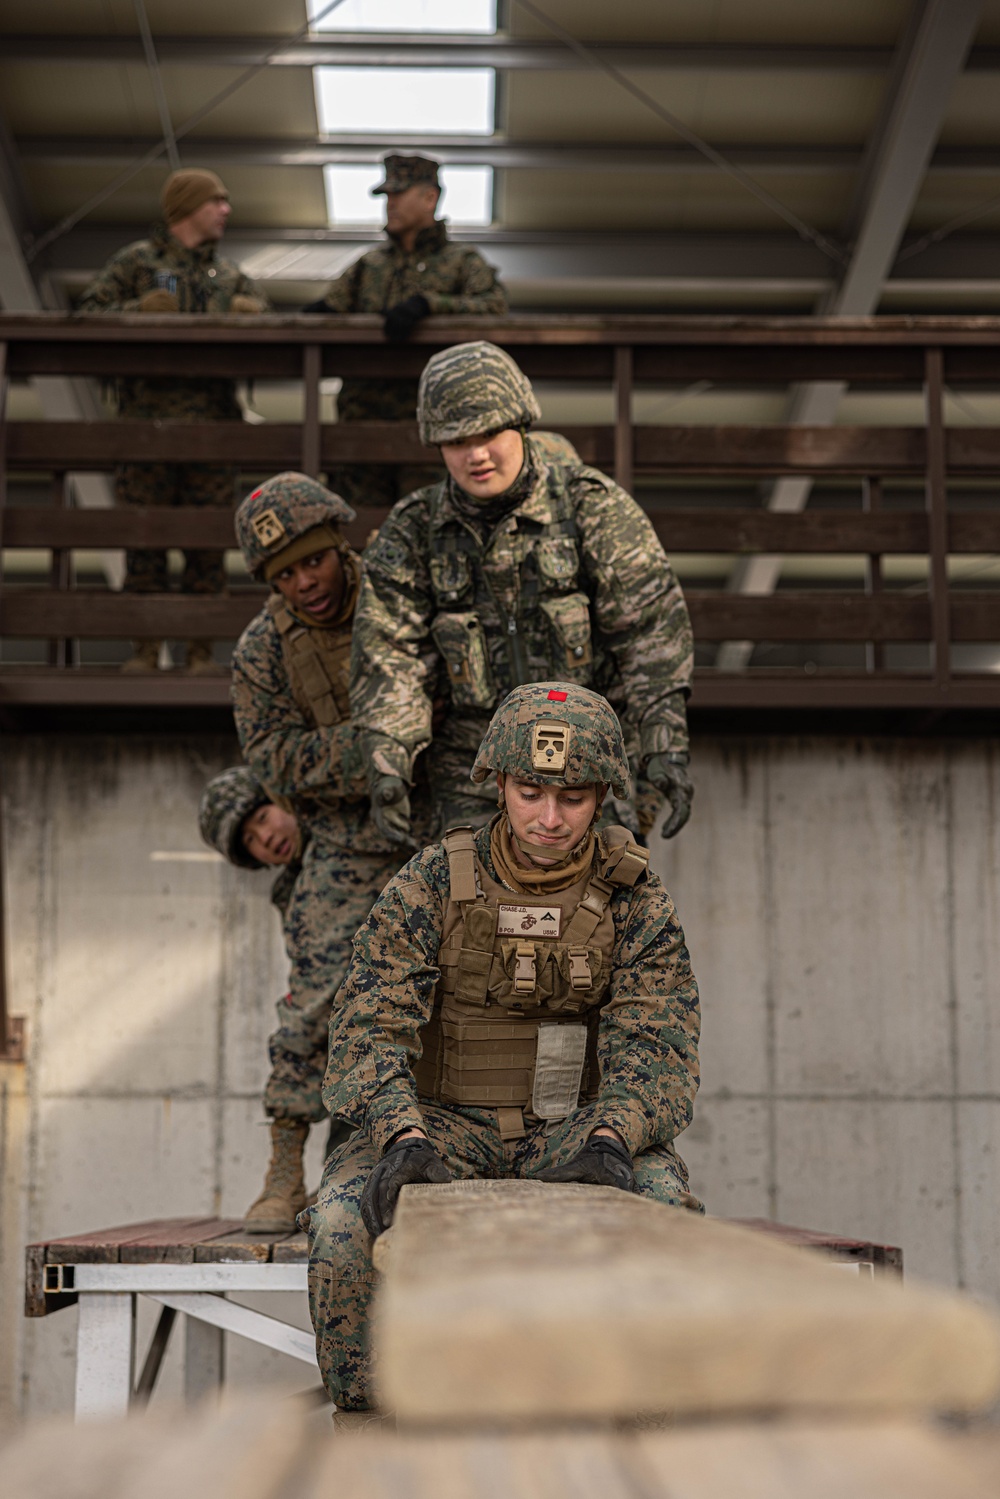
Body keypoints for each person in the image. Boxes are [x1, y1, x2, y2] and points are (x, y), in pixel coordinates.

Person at [303, 682, 702, 1410]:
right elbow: (369, 1025)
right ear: (497, 784)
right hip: (437, 1125)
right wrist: (401, 1132)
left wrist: (615, 1134)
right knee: (337, 1224)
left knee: (664, 1206)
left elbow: (660, 1044)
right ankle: (364, 1434)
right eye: (530, 792)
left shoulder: (635, 899)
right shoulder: (431, 881)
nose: (550, 818)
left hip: (575, 1133)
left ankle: (646, 1431)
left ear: (603, 793)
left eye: (574, 796)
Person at [350, 340, 695, 846]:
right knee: (472, 910)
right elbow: (389, 653)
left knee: (595, 911)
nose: (477, 455)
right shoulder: (413, 529)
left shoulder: (591, 508)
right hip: (475, 764)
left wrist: (665, 746)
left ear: (521, 424)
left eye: (490, 433)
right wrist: (387, 762)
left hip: (587, 754)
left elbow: (649, 634)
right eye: (456, 440)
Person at [77, 168, 268, 675]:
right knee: (146, 539)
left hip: (212, 430)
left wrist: (255, 321)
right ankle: (144, 649)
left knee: (207, 544)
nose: (226, 210)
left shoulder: (229, 275)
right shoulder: (137, 262)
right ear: (187, 207)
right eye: (216, 202)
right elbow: (85, 317)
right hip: (148, 429)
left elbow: (272, 331)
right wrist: (134, 311)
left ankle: (200, 652)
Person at [198, 766, 361, 1230]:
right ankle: (309, 1175)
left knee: (307, 1024)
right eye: (251, 839)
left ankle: (294, 1174)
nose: (266, 838)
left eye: (264, 818)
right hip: (353, 1032)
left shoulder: (343, 841)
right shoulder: (292, 890)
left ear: (283, 801)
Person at [303, 153, 508, 509]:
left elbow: (494, 306)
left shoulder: (461, 262)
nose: (390, 204)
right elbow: (327, 310)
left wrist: (430, 305)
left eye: (399, 194)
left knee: (431, 528)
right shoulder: (370, 265)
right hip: (362, 426)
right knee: (363, 530)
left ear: (430, 197)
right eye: (386, 196)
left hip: (432, 429)